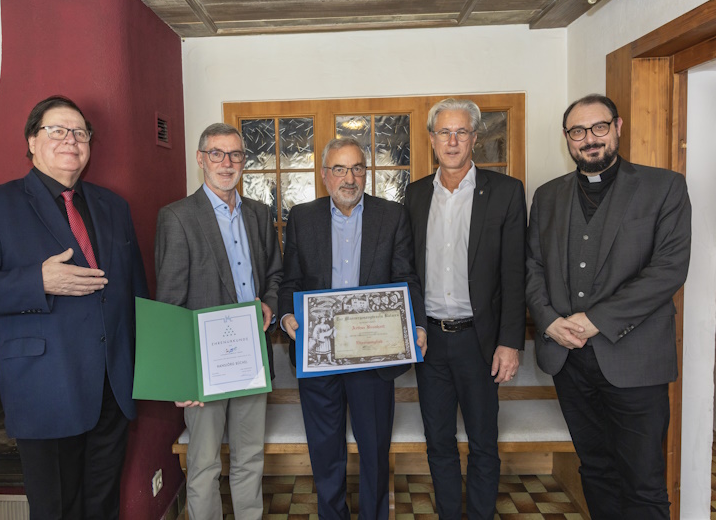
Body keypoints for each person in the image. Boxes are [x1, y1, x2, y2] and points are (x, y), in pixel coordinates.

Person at [0, 95, 149, 519]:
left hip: (113, 390)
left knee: (103, 507)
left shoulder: (114, 206)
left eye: (80, 132)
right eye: (57, 130)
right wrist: (37, 281)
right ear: (32, 141)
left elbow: (137, 297)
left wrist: (157, 373)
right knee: (56, 510)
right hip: (47, 390)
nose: (71, 139)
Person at [525, 94, 691, 520]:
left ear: (617, 127)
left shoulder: (664, 187)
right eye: (578, 131)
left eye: (599, 127)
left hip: (635, 361)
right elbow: (533, 267)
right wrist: (548, 320)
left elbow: (668, 270)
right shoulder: (547, 195)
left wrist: (596, 320)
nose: (590, 139)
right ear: (567, 138)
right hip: (568, 361)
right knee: (596, 469)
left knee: (643, 481)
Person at [278, 137, 427, 520]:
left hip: (373, 355)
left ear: (366, 173)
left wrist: (416, 324)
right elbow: (290, 281)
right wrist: (287, 316)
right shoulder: (302, 217)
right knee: (325, 450)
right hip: (318, 355)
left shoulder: (392, 216)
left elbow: (406, 278)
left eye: (357, 168)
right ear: (324, 175)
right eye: (340, 169)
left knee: (374, 449)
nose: (349, 178)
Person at [403, 98, 526, 520]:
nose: (452, 141)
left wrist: (510, 342)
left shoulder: (506, 192)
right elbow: (408, 271)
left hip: (481, 341)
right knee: (438, 441)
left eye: (461, 132)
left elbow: (515, 274)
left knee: (483, 443)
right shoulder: (416, 194)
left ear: (475, 138)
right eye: (444, 132)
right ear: (432, 139)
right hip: (430, 341)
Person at [154, 122, 282, 520]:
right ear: (201, 159)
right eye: (217, 154)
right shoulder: (177, 217)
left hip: (251, 356)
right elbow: (170, 302)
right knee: (204, 464)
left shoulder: (259, 213)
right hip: (203, 366)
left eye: (235, 154)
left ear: (244, 160)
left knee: (250, 458)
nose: (227, 163)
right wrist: (180, 377)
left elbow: (275, 274)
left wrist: (269, 304)